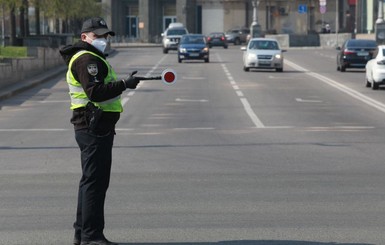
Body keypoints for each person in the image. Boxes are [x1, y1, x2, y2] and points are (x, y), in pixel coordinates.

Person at [60, 17, 142, 245]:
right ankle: (91, 236)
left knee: (91, 181)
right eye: (98, 36)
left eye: (105, 35)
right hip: (92, 127)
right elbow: (95, 92)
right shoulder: (87, 59)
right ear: (84, 37)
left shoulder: (91, 57)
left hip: (95, 126)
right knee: (95, 182)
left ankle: (82, 233)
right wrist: (125, 84)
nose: (103, 40)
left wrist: (124, 84)